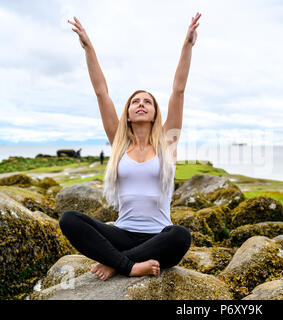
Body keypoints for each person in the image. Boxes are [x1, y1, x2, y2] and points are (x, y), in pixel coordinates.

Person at [59, 13, 201, 281]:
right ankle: (132, 264)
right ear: (127, 113)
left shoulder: (167, 143)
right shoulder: (118, 144)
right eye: (135, 101)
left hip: (160, 236)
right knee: (69, 219)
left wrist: (188, 46)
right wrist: (89, 48)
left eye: (147, 101)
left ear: (155, 112)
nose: (141, 104)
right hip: (121, 234)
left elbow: (178, 91)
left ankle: (117, 265)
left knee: (180, 235)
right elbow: (102, 92)